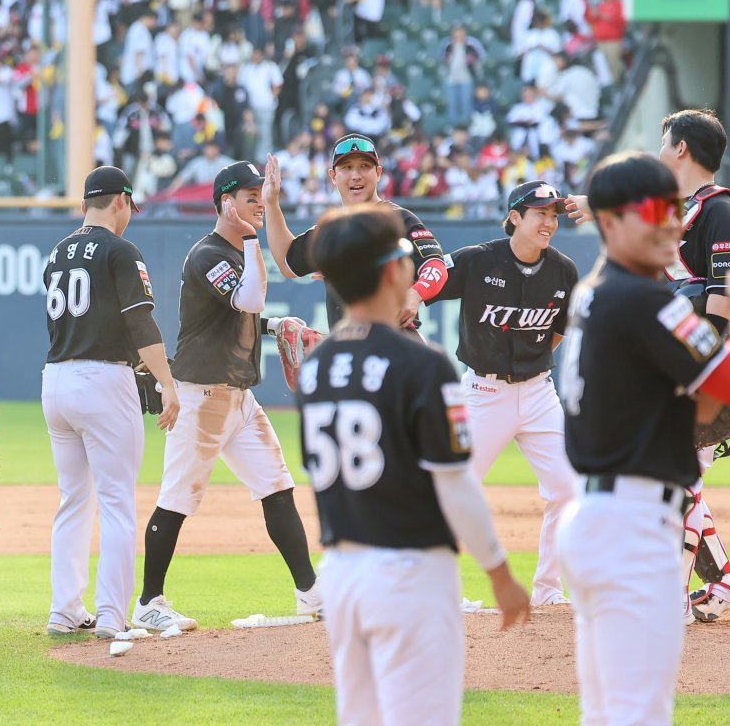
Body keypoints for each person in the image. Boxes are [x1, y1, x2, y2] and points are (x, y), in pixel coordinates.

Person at [556, 152, 730, 724]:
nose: (671, 222)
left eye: (675, 209)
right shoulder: (646, 299)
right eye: (654, 211)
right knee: (640, 712)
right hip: (633, 529)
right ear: (610, 223)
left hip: (600, 516)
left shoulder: (598, 290)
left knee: (608, 709)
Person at [301, 203, 530, 726]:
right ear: (392, 271)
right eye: (405, 254)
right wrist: (497, 570)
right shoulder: (422, 363)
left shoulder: (318, 367)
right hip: (409, 573)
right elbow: (455, 484)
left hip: (342, 573)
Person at [565, 109, 730, 623]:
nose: (658, 149)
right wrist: (593, 203)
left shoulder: (718, 213)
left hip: (696, 373)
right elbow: (655, 216)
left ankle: (672, 596)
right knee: (686, 484)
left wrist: (701, 371)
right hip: (674, 370)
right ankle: (728, 583)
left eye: (662, 140)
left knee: (682, 487)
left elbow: (722, 303)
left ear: (680, 149)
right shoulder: (687, 208)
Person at [131, 158, 321, 631]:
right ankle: (148, 601)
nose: (259, 203)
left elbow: (247, 315)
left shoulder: (234, 254)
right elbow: (250, 300)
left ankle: (311, 594)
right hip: (201, 396)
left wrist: (278, 325)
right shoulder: (209, 254)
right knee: (177, 498)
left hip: (238, 397)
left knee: (277, 488)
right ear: (225, 202)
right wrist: (256, 242)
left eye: (262, 195)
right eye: (249, 196)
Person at [42, 167, 180, 638]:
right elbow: (141, 323)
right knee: (118, 501)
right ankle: (111, 616)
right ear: (121, 201)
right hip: (102, 379)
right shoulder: (122, 251)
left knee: (73, 500)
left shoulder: (58, 253)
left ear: (84, 206)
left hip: (55, 380)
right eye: (129, 208)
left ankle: (64, 610)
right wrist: (166, 381)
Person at [428, 181, 579, 606]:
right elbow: (426, 286)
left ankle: (549, 590)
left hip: (538, 395)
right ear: (515, 217)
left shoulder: (563, 270)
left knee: (567, 490)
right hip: (482, 393)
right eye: (540, 214)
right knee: (457, 488)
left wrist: (528, 367)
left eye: (553, 215)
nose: (549, 222)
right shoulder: (477, 261)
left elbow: (558, 332)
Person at [266, 134, 451, 330]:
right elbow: (288, 264)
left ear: (378, 173)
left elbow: (435, 265)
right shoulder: (334, 227)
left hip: (394, 343)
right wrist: (271, 202)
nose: (356, 175)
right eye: (347, 167)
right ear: (333, 176)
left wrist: (414, 295)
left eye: (364, 166)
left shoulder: (397, 218)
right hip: (346, 344)